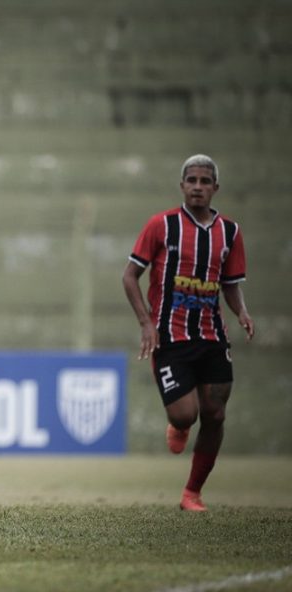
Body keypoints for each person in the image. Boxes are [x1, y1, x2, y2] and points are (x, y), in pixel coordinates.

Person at [122, 154, 255, 512]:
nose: (198, 186)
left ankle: (191, 492)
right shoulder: (162, 226)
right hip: (170, 337)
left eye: (205, 181)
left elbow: (230, 283)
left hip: (212, 336)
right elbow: (129, 275)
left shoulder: (230, 232)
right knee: (185, 415)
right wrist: (146, 322)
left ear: (215, 188)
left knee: (215, 414)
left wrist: (240, 310)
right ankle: (178, 426)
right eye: (192, 180)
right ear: (182, 185)